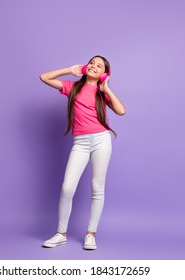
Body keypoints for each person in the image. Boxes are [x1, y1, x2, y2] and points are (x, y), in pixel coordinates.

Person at [39, 55, 126, 250]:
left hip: (101, 140)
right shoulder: (73, 88)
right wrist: (69, 69)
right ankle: (61, 234)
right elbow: (44, 77)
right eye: (92, 63)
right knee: (67, 187)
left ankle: (91, 234)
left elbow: (121, 111)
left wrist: (107, 88)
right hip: (80, 142)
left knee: (97, 187)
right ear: (86, 66)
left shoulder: (102, 93)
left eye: (99, 66)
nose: (94, 66)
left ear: (105, 74)